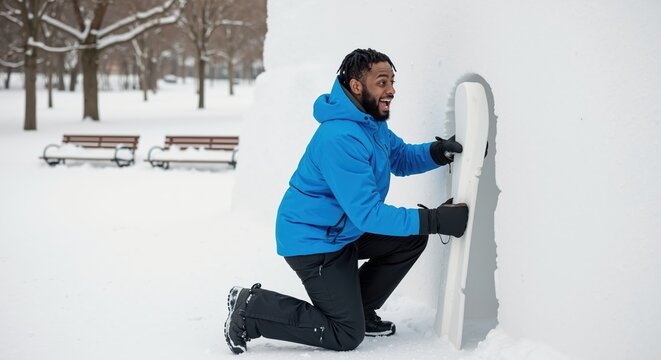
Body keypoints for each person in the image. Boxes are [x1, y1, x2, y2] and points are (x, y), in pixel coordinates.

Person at [224, 48, 469, 354]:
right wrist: (434, 221)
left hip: (343, 230)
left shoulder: (370, 123)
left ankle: (359, 310)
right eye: (382, 82)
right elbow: (368, 214)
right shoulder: (339, 137)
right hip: (315, 242)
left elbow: (400, 156)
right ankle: (252, 309)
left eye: (392, 81)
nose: (391, 90)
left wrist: (437, 152)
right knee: (345, 335)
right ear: (356, 86)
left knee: (409, 238)